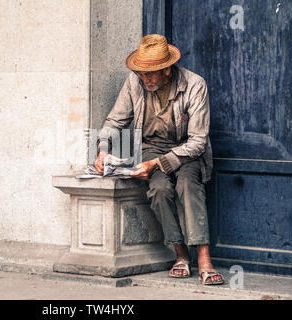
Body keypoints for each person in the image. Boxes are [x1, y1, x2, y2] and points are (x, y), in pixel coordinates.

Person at [94, 34, 224, 285]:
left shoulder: (195, 84)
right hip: (152, 147)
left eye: (151, 73)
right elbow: (114, 121)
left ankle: (205, 259)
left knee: (188, 186)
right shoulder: (135, 82)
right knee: (160, 188)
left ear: (167, 70)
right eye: (142, 73)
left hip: (186, 150)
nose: (145, 78)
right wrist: (102, 148)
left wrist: (158, 163)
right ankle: (181, 254)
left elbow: (197, 141)